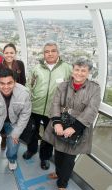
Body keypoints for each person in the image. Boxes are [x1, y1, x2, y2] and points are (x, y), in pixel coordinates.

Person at [43, 58, 101, 190]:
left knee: (69, 158)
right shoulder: (63, 85)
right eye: (77, 69)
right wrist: (56, 122)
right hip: (61, 124)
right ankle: (57, 172)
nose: (79, 73)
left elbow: (92, 109)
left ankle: (63, 183)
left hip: (79, 129)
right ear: (72, 69)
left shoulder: (94, 88)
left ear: (88, 72)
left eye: (83, 70)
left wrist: (75, 127)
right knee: (58, 152)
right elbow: (55, 103)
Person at [24, 41, 72, 170]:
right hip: (35, 107)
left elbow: (73, 87)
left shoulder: (67, 68)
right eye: (47, 51)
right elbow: (29, 85)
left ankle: (44, 158)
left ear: (58, 53)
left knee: (48, 135)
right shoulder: (36, 68)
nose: (50, 53)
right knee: (32, 131)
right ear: (43, 54)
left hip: (54, 110)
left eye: (53, 51)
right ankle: (31, 150)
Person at [0, 68, 31, 170]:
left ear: (15, 82)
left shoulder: (24, 93)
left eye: (10, 83)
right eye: (2, 83)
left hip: (14, 122)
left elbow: (25, 114)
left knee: (13, 143)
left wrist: (16, 132)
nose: (6, 87)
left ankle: (12, 159)